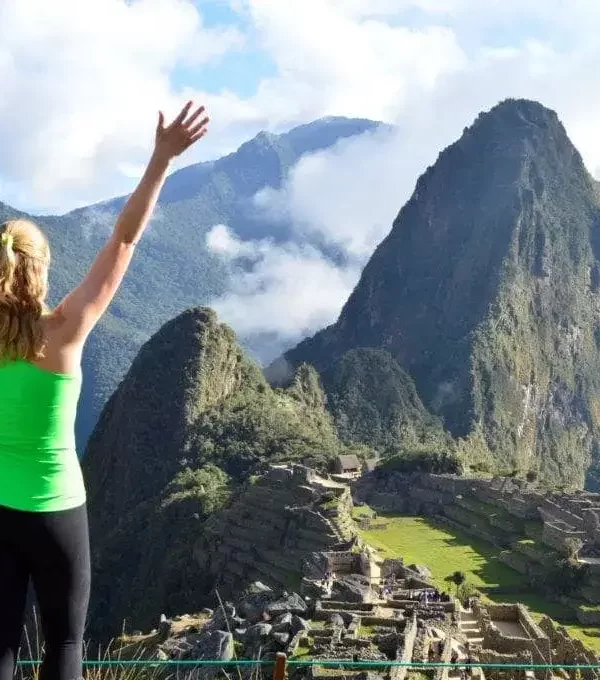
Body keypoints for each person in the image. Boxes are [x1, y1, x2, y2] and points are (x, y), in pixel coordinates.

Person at [0, 101, 209, 680]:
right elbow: (123, 240)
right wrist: (161, 159)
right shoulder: (64, 332)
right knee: (65, 643)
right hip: (57, 508)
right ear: (41, 271)